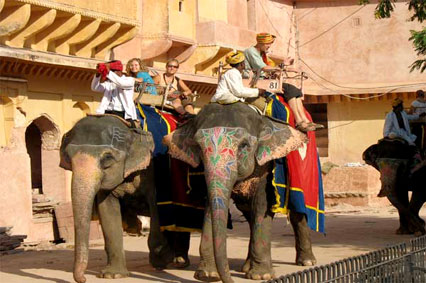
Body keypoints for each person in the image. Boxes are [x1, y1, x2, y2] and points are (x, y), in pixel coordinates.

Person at [244, 32, 323, 132]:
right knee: (289, 89)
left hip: (264, 79)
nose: (269, 46)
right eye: (268, 44)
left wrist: (290, 69)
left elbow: (271, 68)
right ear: (261, 43)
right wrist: (283, 65)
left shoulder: (262, 54)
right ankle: (299, 121)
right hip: (257, 81)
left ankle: (305, 120)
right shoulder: (251, 52)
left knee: (294, 90)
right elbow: (264, 68)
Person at [91, 60, 138, 125]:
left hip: (122, 114)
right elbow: (95, 88)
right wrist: (98, 75)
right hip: (108, 112)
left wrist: (108, 71)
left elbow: (121, 83)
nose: (109, 74)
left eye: (112, 71)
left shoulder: (129, 80)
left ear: (119, 71)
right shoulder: (109, 83)